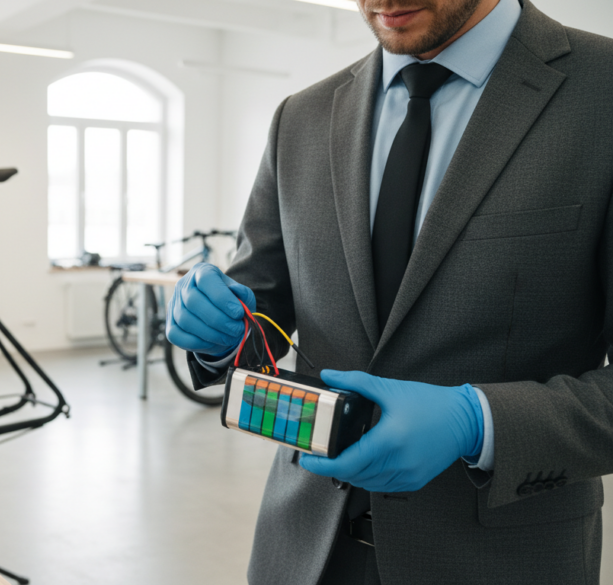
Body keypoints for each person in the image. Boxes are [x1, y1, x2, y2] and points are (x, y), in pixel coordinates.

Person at [165, 0, 613, 583]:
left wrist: (478, 422)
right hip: (302, 549)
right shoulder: (301, 116)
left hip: (501, 559)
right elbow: (261, 299)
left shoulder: (601, 93)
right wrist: (217, 333)